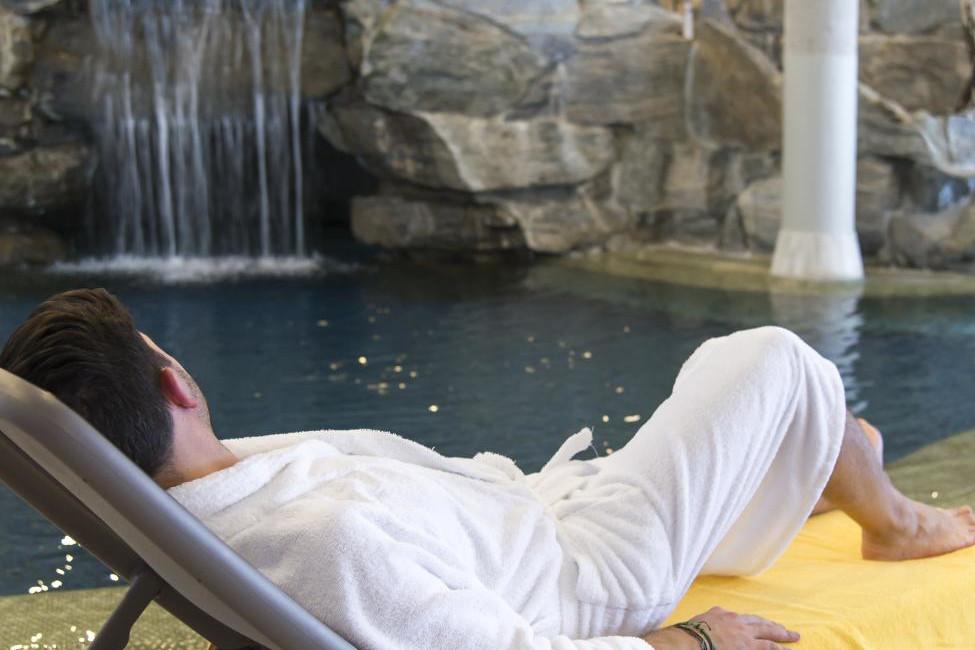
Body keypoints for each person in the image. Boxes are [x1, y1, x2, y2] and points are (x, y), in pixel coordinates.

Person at [2, 289, 973, 650]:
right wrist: (688, 643)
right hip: (593, 572)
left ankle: (836, 464)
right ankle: (892, 519)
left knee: (824, 427)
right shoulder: (318, 542)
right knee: (769, 360)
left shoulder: (204, 496)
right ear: (174, 381)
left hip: (542, 512)